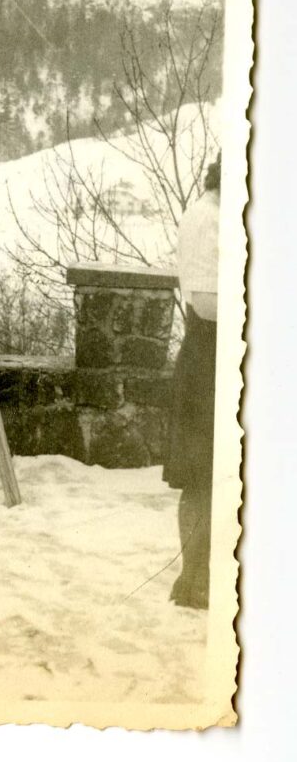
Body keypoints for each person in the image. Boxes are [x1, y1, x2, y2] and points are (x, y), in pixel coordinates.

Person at [163, 154, 221, 610]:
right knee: (202, 474)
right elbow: (205, 302)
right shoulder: (206, 216)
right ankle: (194, 583)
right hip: (211, 358)